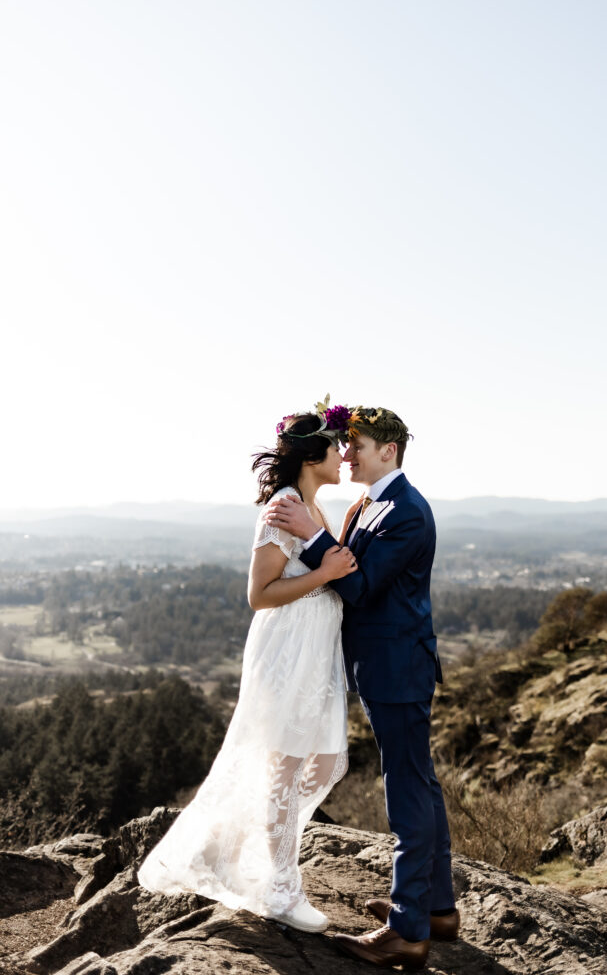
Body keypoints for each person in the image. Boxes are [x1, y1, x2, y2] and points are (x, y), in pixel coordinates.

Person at [137, 405, 357, 933]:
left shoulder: (313, 505)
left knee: (326, 763)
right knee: (286, 766)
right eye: (336, 446)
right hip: (287, 651)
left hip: (316, 653)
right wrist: (325, 572)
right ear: (311, 455)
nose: (343, 455)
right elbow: (260, 595)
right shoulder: (282, 508)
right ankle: (280, 888)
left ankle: (239, 841)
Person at [266, 405, 458, 970]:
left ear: (389, 452)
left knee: (406, 788)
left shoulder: (407, 513)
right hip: (382, 666)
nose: (347, 454)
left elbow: (364, 586)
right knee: (419, 781)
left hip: (399, 668)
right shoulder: (368, 504)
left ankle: (407, 928)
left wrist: (310, 533)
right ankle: (438, 909)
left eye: (358, 446)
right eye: (344, 446)